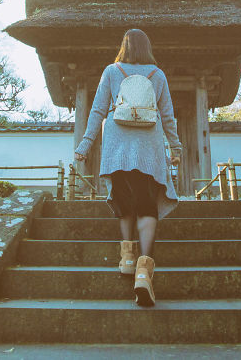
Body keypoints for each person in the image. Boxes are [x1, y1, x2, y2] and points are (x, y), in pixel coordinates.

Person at [74, 28, 182, 307]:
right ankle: (144, 274)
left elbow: (98, 109)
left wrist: (85, 145)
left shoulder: (111, 71)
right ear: (147, 47)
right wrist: (176, 148)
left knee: (124, 200)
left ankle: (127, 258)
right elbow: (167, 115)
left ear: (124, 46)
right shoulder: (157, 75)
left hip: (117, 143)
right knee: (147, 205)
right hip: (149, 145)